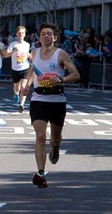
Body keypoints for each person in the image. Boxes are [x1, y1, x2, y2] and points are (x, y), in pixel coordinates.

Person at [22, 23, 80, 188]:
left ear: (55, 37)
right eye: (43, 34)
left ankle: (55, 147)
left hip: (57, 100)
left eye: (49, 34)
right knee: (40, 136)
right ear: (39, 37)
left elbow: (76, 74)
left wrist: (62, 79)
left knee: (55, 138)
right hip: (39, 99)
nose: (46, 36)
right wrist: (27, 84)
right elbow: (34, 69)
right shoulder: (34, 52)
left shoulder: (61, 55)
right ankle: (41, 173)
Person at [4, 26, 31, 113]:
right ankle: (16, 94)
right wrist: (13, 51)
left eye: (22, 33)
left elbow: (28, 54)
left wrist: (34, 58)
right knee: (16, 87)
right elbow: (6, 55)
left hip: (25, 68)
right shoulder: (13, 44)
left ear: (24, 34)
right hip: (15, 69)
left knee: (23, 87)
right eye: (19, 33)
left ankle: (21, 105)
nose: (21, 35)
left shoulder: (27, 44)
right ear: (16, 34)